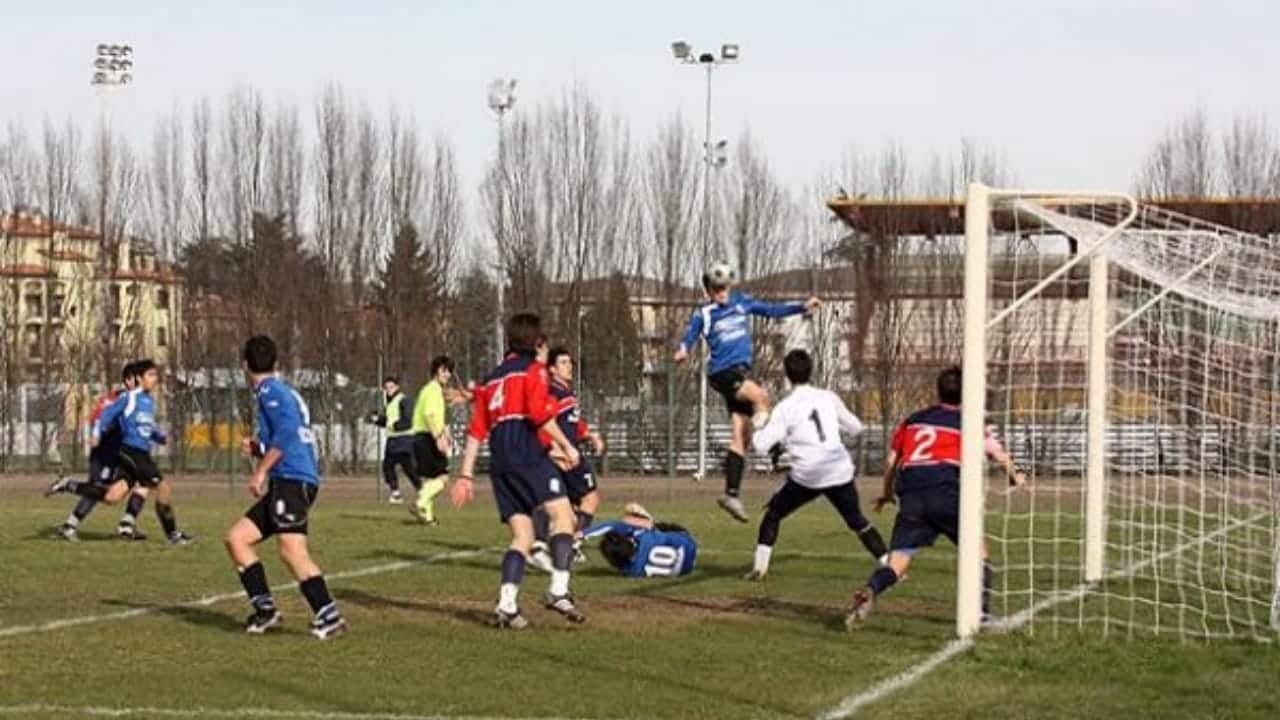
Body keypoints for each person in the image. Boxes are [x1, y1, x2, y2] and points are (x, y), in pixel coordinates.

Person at [845, 365, 1027, 630]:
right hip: (946, 492)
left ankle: (871, 589)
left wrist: (886, 493)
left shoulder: (914, 420)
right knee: (980, 554)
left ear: (938, 391)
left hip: (912, 497)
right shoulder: (970, 421)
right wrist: (1017, 475)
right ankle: (983, 616)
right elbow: (999, 454)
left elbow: (892, 461)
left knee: (898, 562)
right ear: (967, 393)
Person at [449, 312, 586, 629]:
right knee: (564, 518)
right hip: (527, 456)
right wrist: (567, 446)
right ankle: (558, 590)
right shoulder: (534, 371)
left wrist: (466, 476)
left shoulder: (492, 378)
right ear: (537, 343)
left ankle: (507, 605)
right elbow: (539, 416)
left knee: (522, 536)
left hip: (500, 464)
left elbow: (476, 432)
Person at [674, 261, 820, 523]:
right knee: (761, 398)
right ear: (708, 289)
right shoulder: (704, 313)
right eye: (715, 288)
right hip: (723, 372)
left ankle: (731, 493)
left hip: (739, 372)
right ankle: (776, 452)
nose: (721, 292)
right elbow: (690, 334)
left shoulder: (742, 302)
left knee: (740, 435)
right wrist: (684, 349)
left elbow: (772, 310)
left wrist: (801, 307)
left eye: (723, 287)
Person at [223, 335, 346, 639]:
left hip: (292, 479)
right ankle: (265, 611)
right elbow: (285, 434)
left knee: (291, 550)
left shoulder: (269, 391)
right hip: (289, 479)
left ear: (244, 366)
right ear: (275, 363)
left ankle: (328, 615)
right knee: (237, 539)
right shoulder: (280, 390)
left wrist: (259, 471)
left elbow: (289, 432)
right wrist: (257, 447)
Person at [744, 349, 888, 581]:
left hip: (808, 476)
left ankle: (759, 569)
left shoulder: (785, 407)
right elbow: (856, 428)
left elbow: (760, 445)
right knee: (857, 521)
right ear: (811, 371)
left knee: (773, 514)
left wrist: (760, 421)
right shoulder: (828, 397)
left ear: (787, 375)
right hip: (838, 470)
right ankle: (889, 566)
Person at [46, 359, 193, 545]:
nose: (155, 379)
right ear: (139, 378)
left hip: (139, 453)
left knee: (112, 496)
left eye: (156, 375)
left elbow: (147, 428)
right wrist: (96, 433)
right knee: (162, 488)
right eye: (151, 375)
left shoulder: (149, 401)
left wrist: (160, 437)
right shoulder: (129, 397)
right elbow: (105, 415)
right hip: (132, 452)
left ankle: (69, 485)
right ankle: (172, 535)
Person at [529, 347, 606, 572]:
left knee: (564, 504)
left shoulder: (566, 393)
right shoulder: (553, 393)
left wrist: (591, 435)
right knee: (590, 499)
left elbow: (573, 423)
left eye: (570, 362)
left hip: (568, 451)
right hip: (566, 454)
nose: (569, 366)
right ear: (552, 369)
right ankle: (568, 544)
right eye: (563, 362)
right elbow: (543, 422)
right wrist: (555, 448)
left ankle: (546, 544)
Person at [56, 361, 150, 542]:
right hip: (104, 455)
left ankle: (127, 524)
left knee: (144, 482)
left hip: (123, 455)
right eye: (140, 379)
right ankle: (69, 523)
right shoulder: (114, 400)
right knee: (100, 490)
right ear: (129, 381)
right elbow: (98, 419)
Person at [583, 503, 697, 578]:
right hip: (688, 547)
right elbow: (618, 523)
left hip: (684, 570)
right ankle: (647, 519)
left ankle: (646, 521)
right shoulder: (644, 537)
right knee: (647, 526)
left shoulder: (632, 572)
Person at [409, 356, 454, 525]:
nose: (448, 374)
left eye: (449, 371)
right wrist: (438, 437)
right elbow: (430, 414)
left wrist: (445, 433)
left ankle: (428, 518)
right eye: (445, 370)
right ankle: (419, 502)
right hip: (428, 437)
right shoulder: (434, 389)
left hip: (420, 436)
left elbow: (436, 416)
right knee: (442, 478)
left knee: (429, 479)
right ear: (437, 371)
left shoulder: (429, 390)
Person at [366, 375, 416, 505]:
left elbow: (408, 420)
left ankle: (423, 491)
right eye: (386, 388)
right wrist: (377, 420)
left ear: (397, 387)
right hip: (393, 440)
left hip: (404, 439)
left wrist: (393, 425)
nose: (388, 390)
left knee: (409, 468)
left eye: (391, 387)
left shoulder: (404, 400)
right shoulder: (390, 403)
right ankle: (396, 494)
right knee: (388, 467)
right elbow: (388, 421)